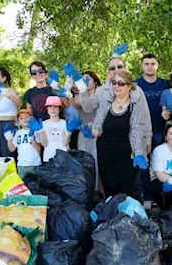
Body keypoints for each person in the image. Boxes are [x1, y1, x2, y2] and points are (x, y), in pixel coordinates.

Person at [82, 69, 148, 199]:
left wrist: (139, 153)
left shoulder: (135, 107)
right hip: (106, 154)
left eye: (121, 83)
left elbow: (137, 131)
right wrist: (91, 133)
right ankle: (111, 217)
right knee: (109, 190)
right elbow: (97, 126)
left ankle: (126, 217)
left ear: (129, 86)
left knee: (126, 191)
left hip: (126, 156)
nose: (116, 86)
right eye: (114, 83)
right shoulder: (106, 104)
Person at [72, 70, 103, 190]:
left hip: (97, 130)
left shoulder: (101, 94)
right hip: (83, 131)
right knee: (84, 163)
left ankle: (99, 192)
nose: (85, 82)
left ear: (95, 82)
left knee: (97, 163)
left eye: (88, 79)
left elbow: (91, 107)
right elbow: (76, 104)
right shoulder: (79, 95)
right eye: (83, 79)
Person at [0, 67, 22, 159]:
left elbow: (20, 103)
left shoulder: (10, 90)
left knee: (8, 157)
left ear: (3, 78)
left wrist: (9, 96)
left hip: (8, 125)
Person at [37, 96, 77, 162]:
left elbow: (65, 143)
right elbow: (44, 144)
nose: (52, 109)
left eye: (55, 106)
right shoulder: (42, 124)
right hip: (48, 157)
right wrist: (41, 131)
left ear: (60, 109)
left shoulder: (65, 123)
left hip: (64, 157)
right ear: (46, 109)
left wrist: (69, 132)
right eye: (50, 106)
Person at [5, 109, 42, 178]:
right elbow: (12, 149)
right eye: (21, 118)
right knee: (23, 186)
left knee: (36, 185)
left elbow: (38, 148)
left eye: (27, 117)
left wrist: (32, 139)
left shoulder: (36, 131)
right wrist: (8, 139)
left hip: (35, 164)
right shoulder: (17, 133)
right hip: (21, 165)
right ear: (18, 122)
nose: (24, 119)